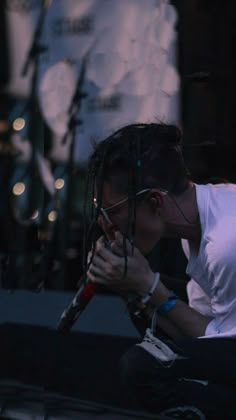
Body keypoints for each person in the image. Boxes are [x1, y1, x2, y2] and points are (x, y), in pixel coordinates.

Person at [84, 123, 236, 419]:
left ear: (155, 201)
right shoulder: (198, 219)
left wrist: (149, 287)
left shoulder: (225, 240)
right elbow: (206, 329)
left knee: (142, 366)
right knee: (138, 291)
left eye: (112, 211)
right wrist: (141, 288)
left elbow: (223, 343)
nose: (107, 225)